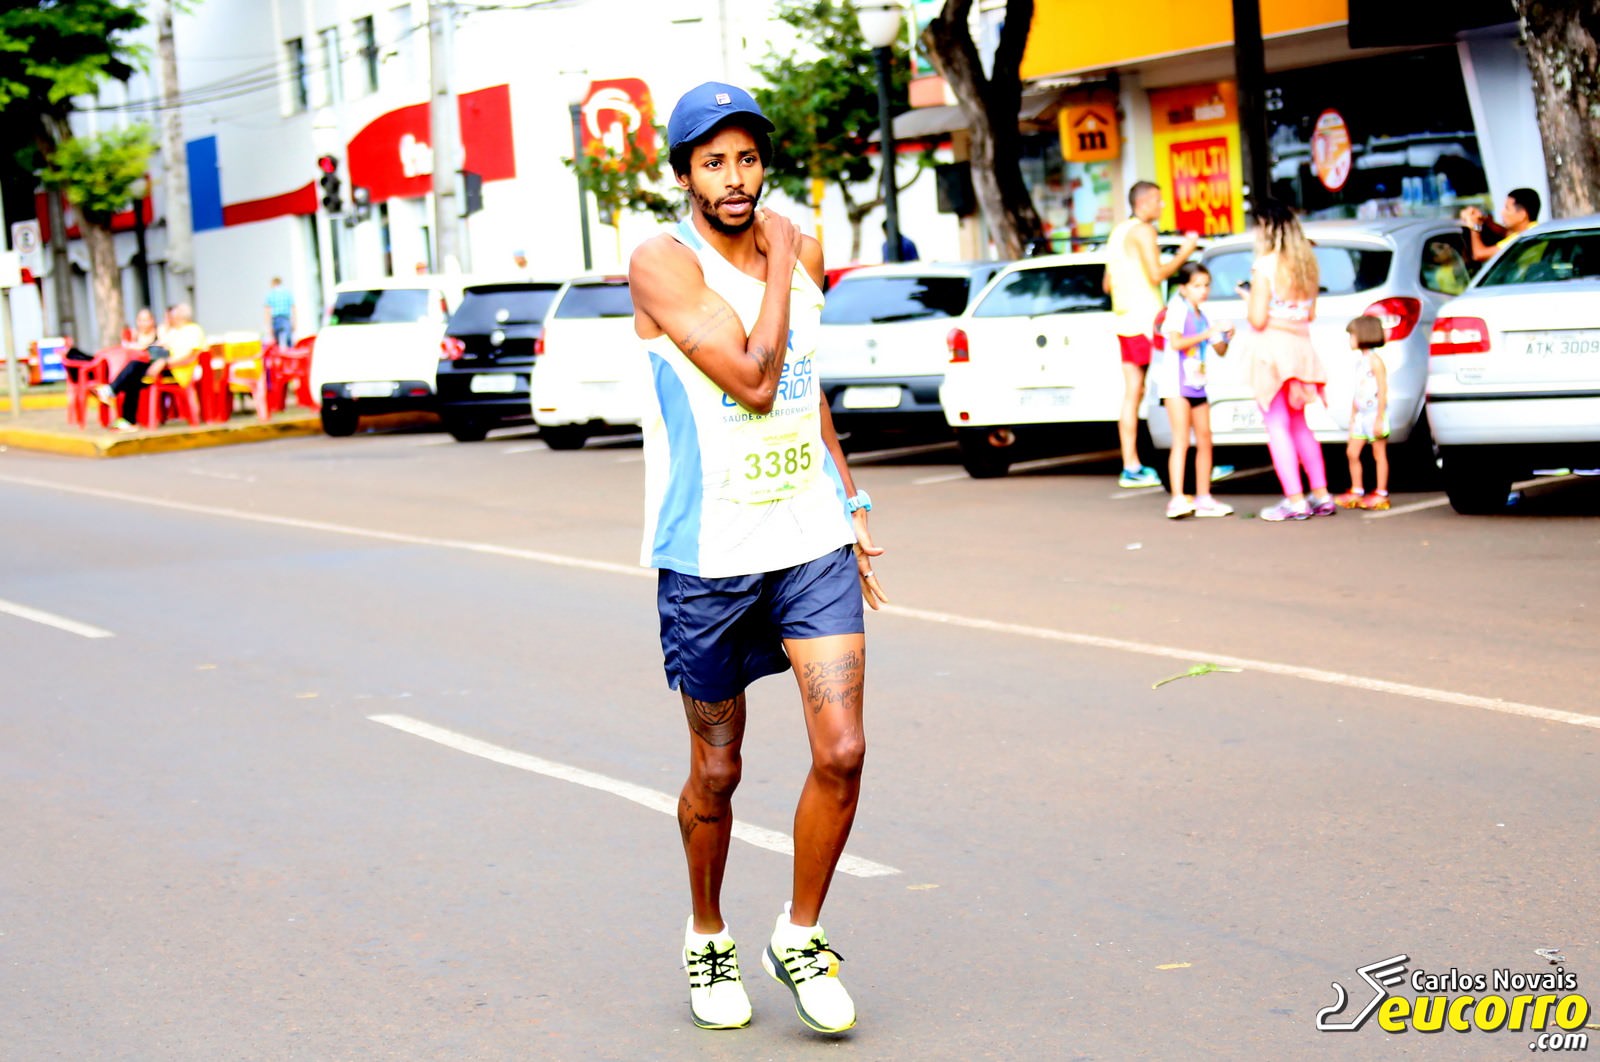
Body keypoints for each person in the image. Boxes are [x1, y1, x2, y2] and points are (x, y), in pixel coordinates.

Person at [629, 80, 886, 1036]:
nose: (735, 178)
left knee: (844, 750)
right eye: (713, 162)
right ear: (684, 175)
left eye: (746, 158)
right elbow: (752, 378)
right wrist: (778, 265)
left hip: (808, 538)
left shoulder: (801, 250)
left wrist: (849, 501)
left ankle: (801, 934)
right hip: (711, 554)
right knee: (719, 768)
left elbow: (803, 388)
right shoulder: (662, 262)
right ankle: (707, 934)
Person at [1245, 200, 1335, 521]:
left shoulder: (1264, 266)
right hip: (1301, 348)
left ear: (1266, 229)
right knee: (1300, 424)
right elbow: (1309, 313)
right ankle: (1321, 494)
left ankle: (1295, 500)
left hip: (1272, 351)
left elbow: (1257, 319)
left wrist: (1250, 300)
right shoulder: (1306, 264)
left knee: (1277, 425)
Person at [1105, 180, 1199, 488]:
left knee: (1133, 392)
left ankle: (1131, 465)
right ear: (1143, 203)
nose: (1162, 206)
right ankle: (1192, 460)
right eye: (1158, 200)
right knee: (1174, 387)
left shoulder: (1118, 232)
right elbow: (1157, 274)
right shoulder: (1144, 231)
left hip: (1125, 320)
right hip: (1147, 321)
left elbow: (1107, 283)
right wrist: (1185, 252)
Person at [1158, 262, 1234, 518]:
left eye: (1206, 285)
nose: (1203, 291)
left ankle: (1204, 497)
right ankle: (1177, 498)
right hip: (1176, 385)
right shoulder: (1177, 310)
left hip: (1197, 384)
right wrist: (1208, 333)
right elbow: (1176, 342)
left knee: (1205, 439)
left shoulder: (1205, 314)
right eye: (1196, 286)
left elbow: (1219, 350)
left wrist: (1226, 336)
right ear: (1183, 288)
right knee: (1181, 440)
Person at [97, 303, 206, 429]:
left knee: (134, 367)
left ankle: (110, 391)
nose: (170, 318)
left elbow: (192, 355)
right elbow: (161, 346)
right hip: (162, 368)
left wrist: (166, 362)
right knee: (133, 376)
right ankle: (127, 418)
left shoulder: (194, 330)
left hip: (177, 372)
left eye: (173, 316)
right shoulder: (174, 331)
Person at [1336, 315, 1391, 511]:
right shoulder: (1360, 362)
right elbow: (1359, 389)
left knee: (1379, 453)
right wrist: (1353, 414)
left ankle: (1381, 493)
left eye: (1352, 335)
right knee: (1352, 452)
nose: (1350, 340)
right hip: (1361, 414)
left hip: (1374, 413)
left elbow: (1382, 389)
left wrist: (1380, 417)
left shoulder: (1376, 362)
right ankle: (1357, 489)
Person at [1460, 187, 1540, 263]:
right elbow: (1506, 233)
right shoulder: (1534, 230)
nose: (1502, 213)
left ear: (1522, 214)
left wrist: (1474, 226)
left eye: (1507, 209)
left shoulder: (1522, 239)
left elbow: (1479, 255)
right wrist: (1489, 222)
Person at [263, 277, 295, 349]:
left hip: (276, 320)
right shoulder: (287, 293)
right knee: (288, 342)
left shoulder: (270, 294)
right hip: (286, 319)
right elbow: (293, 308)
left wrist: (268, 326)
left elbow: (267, 311)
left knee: (276, 344)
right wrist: (294, 323)